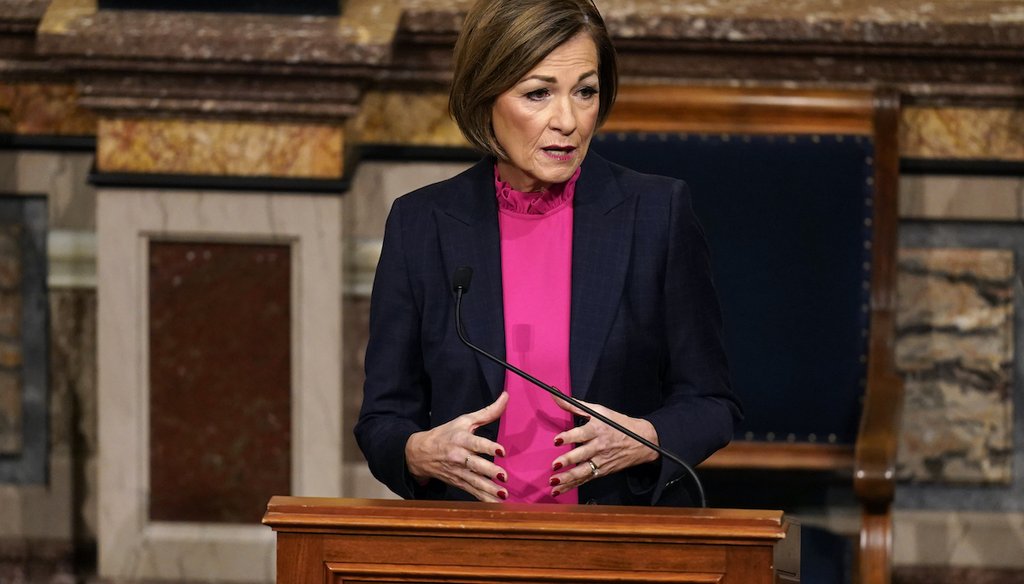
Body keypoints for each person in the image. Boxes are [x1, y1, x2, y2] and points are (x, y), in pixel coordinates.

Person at [354, 0, 741, 507]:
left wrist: (647, 437)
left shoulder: (656, 214)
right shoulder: (421, 223)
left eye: (585, 92)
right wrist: (418, 451)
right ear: (484, 96)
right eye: (538, 94)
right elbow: (382, 420)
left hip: (614, 540)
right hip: (471, 545)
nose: (568, 120)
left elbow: (712, 404)